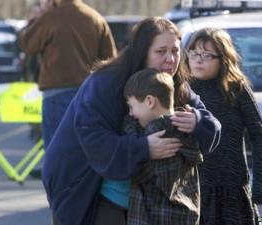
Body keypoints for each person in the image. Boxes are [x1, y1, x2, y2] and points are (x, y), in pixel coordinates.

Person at [42, 17, 221, 225]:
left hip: (142, 199)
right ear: (142, 52)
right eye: (161, 51)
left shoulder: (173, 83)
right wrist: (144, 148)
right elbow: (93, 138)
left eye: (175, 50)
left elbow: (213, 128)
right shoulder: (105, 82)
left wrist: (197, 121)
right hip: (83, 186)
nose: (170, 59)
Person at [183, 28, 262, 225]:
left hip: (232, 186)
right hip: (194, 189)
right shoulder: (183, 89)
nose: (198, 59)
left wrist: (259, 187)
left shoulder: (236, 88)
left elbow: (259, 134)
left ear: (223, 59)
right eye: (193, 53)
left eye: (206, 55)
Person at [19, 0, 116, 149]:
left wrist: (38, 17)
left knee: (56, 154)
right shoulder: (95, 18)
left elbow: (27, 43)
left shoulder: (50, 17)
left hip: (57, 94)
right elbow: (110, 61)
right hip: (89, 96)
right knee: (86, 152)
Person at [122, 68, 203, 225]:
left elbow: (137, 172)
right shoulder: (186, 129)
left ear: (150, 101)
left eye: (131, 106)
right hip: (186, 215)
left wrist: (129, 131)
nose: (131, 114)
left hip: (158, 218)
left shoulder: (158, 134)